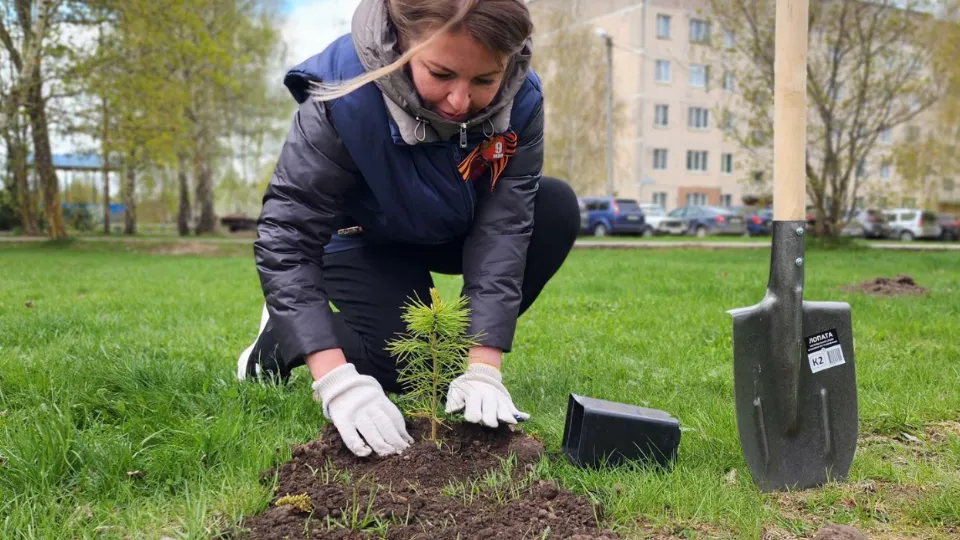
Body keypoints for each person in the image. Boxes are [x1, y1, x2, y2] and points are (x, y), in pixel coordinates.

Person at [236, 0, 581, 458]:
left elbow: (504, 229)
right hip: (365, 236)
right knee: (399, 369)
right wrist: (334, 378)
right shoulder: (344, 93)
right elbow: (287, 236)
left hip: (451, 227)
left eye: (484, 80)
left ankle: (452, 374)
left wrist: (483, 365)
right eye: (441, 74)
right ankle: (281, 336)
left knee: (553, 207)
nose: (461, 101)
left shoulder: (522, 99)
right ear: (399, 44)